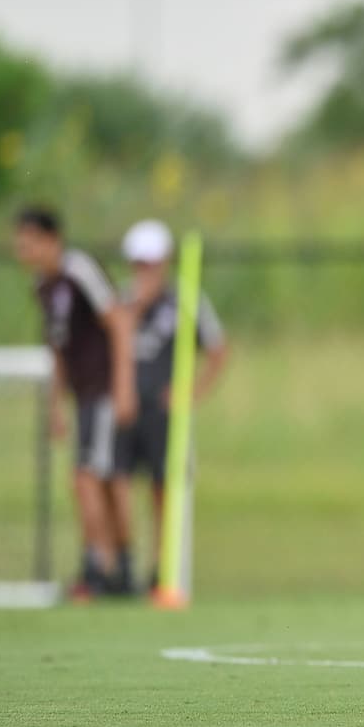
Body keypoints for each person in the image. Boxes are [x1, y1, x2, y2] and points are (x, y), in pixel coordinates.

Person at [13, 206, 137, 598]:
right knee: (101, 480)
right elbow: (58, 348)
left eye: (29, 241)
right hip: (82, 395)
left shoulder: (79, 270)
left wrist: (123, 386)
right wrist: (55, 406)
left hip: (102, 390)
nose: (22, 250)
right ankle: (120, 570)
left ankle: (97, 568)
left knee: (87, 478)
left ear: (52, 239)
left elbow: (118, 322)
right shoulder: (43, 287)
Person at [113, 219, 228, 592]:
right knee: (117, 482)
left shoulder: (185, 299)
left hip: (164, 414)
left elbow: (217, 350)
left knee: (164, 488)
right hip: (126, 406)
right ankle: (121, 566)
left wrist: (191, 393)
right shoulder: (123, 301)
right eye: (138, 263)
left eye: (151, 263)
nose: (144, 271)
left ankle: (162, 568)